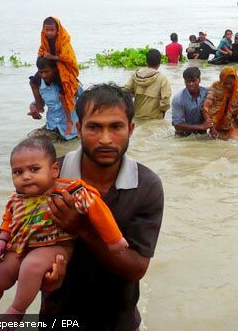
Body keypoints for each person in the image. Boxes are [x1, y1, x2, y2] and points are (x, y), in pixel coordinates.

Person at [40, 83, 164, 330]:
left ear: (131, 129)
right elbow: (24, 243)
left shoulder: (146, 186)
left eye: (116, 127)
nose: (105, 139)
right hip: (57, 317)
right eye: (94, 127)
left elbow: (137, 268)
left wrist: (83, 228)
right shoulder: (50, 178)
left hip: (118, 321)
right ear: (78, 128)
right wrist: (41, 275)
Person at [0, 137, 127, 317]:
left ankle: (16, 311)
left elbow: (97, 209)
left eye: (34, 169)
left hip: (55, 245)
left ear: (54, 169)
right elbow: (9, 218)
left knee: (32, 266)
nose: (26, 176)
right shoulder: (18, 197)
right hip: (20, 245)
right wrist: (2, 238)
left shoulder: (69, 191)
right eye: (18, 172)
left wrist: (114, 239)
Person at [30, 17, 80, 138]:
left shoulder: (64, 41)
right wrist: (35, 105)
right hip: (50, 66)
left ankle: (69, 121)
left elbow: (70, 59)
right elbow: (41, 55)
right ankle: (39, 106)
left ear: (57, 30)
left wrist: (52, 57)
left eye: (52, 30)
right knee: (33, 82)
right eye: (47, 30)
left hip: (62, 69)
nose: (49, 33)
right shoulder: (44, 40)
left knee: (63, 94)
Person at [27, 57, 83, 142]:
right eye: (41, 72)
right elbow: (41, 105)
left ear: (54, 70)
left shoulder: (69, 83)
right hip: (52, 127)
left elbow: (86, 99)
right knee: (31, 140)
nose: (43, 75)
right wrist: (33, 106)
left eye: (46, 71)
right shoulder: (38, 84)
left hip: (73, 132)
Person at [203, 66, 238, 140]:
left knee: (233, 141)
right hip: (217, 124)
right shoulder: (216, 87)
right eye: (225, 83)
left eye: (230, 83)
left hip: (234, 123)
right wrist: (211, 128)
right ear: (221, 80)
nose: (228, 86)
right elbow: (205, 108)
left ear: (235, 81)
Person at [124, 48, 172, 119]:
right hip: (154, 118)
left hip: (137, 116)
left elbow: (125, 93)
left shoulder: (135, 75)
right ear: (159, 63)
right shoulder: (162, 79)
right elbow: (165, 102)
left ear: (146, 62)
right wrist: (163, 112)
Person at [172, 67, 213, 137]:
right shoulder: (178, 99)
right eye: (188, 81)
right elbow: (177, 125)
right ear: (184, 82)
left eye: (194, 81)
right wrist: (201, 126)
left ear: (199, 80)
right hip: (183, 134)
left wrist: (212, 128)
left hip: (202, 132)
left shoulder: (207, 93)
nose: (191, 84)